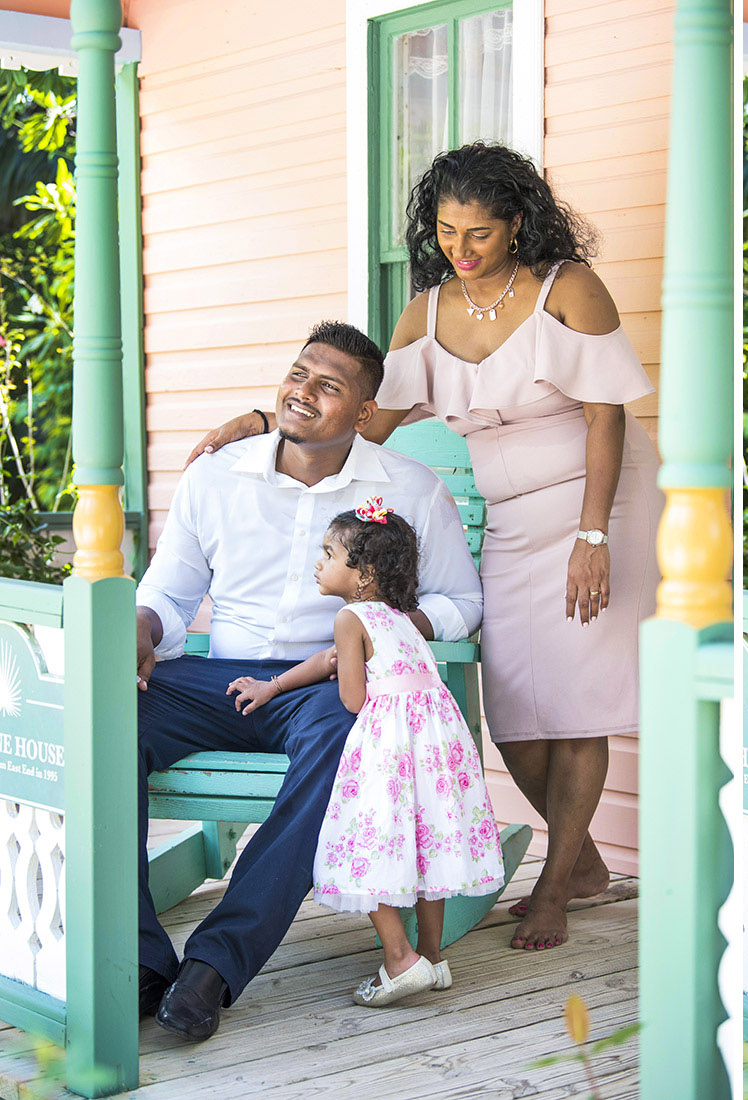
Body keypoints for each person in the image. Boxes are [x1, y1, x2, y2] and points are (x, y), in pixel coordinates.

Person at [188, 143, 662, 952]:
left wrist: (593, 534)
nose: (461, 249)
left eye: (478, 233)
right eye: (446, 231)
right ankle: (581, 863)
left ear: (517, 222)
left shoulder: (567, 288)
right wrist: (274, 421)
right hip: (512, 517)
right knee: (515, 706)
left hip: (600, 504)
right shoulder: (427, 312)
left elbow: (604, 414)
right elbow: (366, 417)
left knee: (577, 703)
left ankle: (556, 888)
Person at [136, 321, 482, 1040]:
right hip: (216, 675)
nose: (303, 392)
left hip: (328, 684)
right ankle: (139, 960)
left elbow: (463, 604)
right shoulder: (215, 474)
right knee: (110, 722)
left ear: (362, 413)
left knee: (345, 744)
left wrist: (381, 625)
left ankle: (213, 966)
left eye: (329, 386)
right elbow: (167, 600)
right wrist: (139, 631)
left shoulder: (409, 491)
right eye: (299, 373)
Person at [226, 503, 506, 1007]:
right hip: (435, 750)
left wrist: (347, 672)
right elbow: (329, 661)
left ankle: (400, 960)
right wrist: (275, 686)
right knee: (422, 848)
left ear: (364, 573)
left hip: (389, 750)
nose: (319, 562)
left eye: (329, 554)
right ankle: (432, 957)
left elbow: (353, 699)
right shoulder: (399, 620)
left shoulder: (348, 617)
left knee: (372, 841)